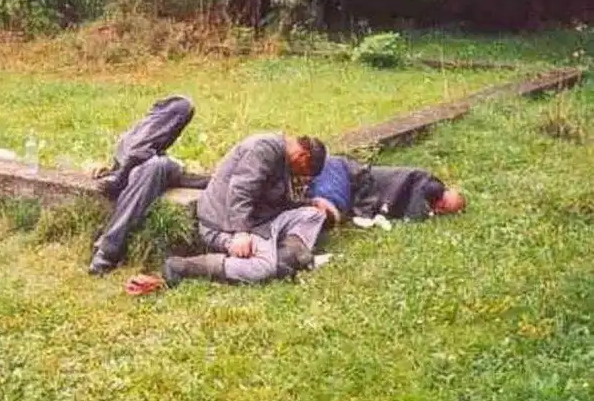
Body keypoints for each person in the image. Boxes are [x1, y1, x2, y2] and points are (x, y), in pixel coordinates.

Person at [162, 133, 328, 287]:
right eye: (303, 171)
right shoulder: (264, 149)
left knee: (314, 215)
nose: (299, 176)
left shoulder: (282, 157)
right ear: (303, 156)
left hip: (260, 221)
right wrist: (240, 233)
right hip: (223, 224)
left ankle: (285, 258)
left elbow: (277, 200)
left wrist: (309, 203)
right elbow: (240, 190)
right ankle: (184, 266)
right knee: (263, 268)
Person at [89, 95, 210, 276]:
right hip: (146, 163)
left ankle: (108, 250)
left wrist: (120, 172)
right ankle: (108, 251)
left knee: (155, 164)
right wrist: (113, 169)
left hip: (147, 162)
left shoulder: (143, 150)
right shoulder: (141, 150)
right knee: (155, 164)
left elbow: (196, 179)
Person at [305, 155, 466, 223]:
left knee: (321, 207)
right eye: (443, 203)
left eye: (443, 211)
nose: (439, 208)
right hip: (350, 175)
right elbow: (414, 211)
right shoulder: (425, 183)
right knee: (329, 202)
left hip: (353, 190)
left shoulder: (422, 200)